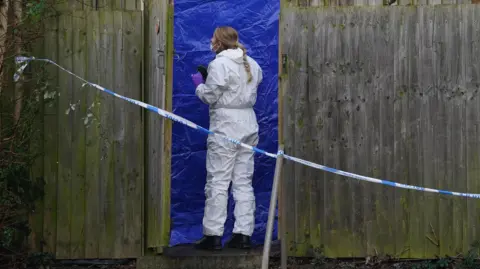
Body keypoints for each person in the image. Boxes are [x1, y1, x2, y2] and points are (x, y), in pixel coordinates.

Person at [190, 26, 263, 250]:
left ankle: (213, 235)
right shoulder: (253, 64)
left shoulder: (219, 64)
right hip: (248, 124)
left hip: (225, 126)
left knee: (218, 180)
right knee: (243, 181)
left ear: (219, 43)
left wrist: (199, 85)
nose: (211, 41)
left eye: (213, 38)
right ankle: (243, 234)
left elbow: (211, 96)